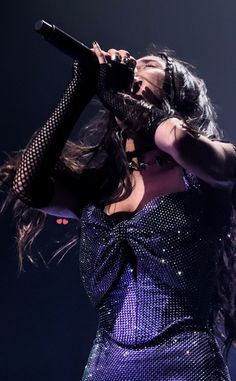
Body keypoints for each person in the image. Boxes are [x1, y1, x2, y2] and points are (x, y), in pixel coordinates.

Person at [1, 40, 236, 380]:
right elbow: (27, 184)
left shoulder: (212, 168)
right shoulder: (101, 187)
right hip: (108, 369)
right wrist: (79, 90)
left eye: (149, 63)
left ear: (178, 90)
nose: (135, 67)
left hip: (187, 367)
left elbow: (179, 141)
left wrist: (113, 95)